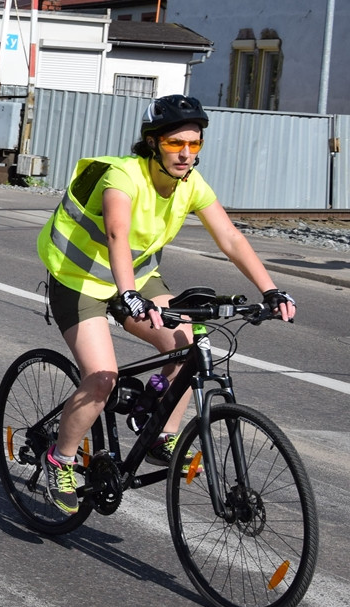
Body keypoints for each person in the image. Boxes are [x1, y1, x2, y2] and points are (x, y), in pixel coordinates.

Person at [36, 95, 296, 515]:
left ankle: (159, 431)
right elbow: (118, 234)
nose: (187, 154)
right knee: (102, 378)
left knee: (190, 341)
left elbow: (229, 237)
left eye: (195, 145)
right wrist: (129, 296)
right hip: (79, 280)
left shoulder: (191, 184)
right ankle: (60, 458)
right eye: (177, 144)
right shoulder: (123, 177)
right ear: (153, 142)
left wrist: (271, 289)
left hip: (134, 278)